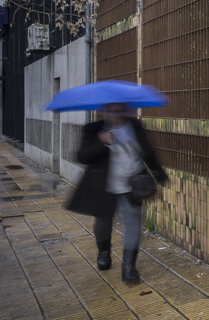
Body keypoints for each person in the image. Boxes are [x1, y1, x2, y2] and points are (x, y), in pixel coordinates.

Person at [66, 103, 167, 282]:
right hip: (103, 187)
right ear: (104, 112)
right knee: (103, 224)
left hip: (132, 186)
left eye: (120, 110)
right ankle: (104, 251)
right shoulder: (93, 129)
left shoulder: (135, 126)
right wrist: (102, 142)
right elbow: (82, 156)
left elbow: (147, 152)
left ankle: (129, 266)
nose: (116, 114)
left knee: (133, 222)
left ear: (126, 111)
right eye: (112, 111)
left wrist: (158, 174)